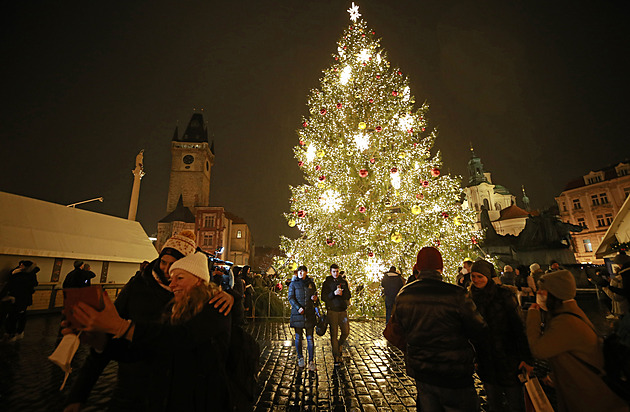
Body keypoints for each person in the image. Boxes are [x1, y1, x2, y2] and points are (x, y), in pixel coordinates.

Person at [64, 231, 235, 412]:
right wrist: (101, 343)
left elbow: (179, 338)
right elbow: (144, 348)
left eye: (178, 274)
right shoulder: (155, 296)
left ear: (197, 278)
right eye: (164, 263)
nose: (170, 280)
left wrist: (121, 326)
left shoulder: (213, 304)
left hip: (192, 399)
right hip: (134, 390)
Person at [393, 247, 489, 412]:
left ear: (418, 267)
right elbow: (479, 329)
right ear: (441, 268)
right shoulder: (456, 294)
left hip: (422, 371)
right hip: (453, 372)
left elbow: (399, 329)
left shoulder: (404, 294)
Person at [526, 270, 628, 412]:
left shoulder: (566, 321)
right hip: (584, 389)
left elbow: (538, 349)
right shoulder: (567, 313)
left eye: (543, 291)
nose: (539, 294)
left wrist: (533, 315)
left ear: (556, 293)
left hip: (588, 396)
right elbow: (568, 353)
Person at [469, 260, 533, 412]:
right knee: (493, 402)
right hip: (486, 359)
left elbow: (518, 327)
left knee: (515, 402)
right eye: (473, 276)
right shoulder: (470, 298)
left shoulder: (504, 295)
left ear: (488, 277)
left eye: (480, 276)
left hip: (509, 357)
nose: (476, 280)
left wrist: (526, 357)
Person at [288, 265, 318, 371]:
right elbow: (291, 297)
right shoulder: (293, 284)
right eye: (299, 271)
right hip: (298, 314)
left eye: (303, 271)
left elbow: (315, 296)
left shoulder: (311, 283)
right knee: (298, 337)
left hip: (309, 313)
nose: (301, 273)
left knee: (310, 338)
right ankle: (300, 358)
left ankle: (311, 360)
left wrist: (314, 298)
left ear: (306, 272)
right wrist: (298, 307)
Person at [0, 260, 39, 342]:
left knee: (15, 316)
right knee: (17, 316)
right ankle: (15, 333)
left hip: (20, 299)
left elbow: (15, 285)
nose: (20, 265)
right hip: (19, 299)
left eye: (22, 265)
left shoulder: (25, 275)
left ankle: (13, 333)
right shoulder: (20, 273)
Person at [321, 263, 351, 367]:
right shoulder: (327, 283)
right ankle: (336, 357)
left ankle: (339, 345)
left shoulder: (343, 282)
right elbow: (323, 297)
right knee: (334, 334)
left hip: (342, 310)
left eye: (337, 271)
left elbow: (348, 295)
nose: (336, 273)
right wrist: (333, 294)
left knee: (346, 331)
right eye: (334, 271)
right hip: (332, 310)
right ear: (331, 272)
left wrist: (343, 294)